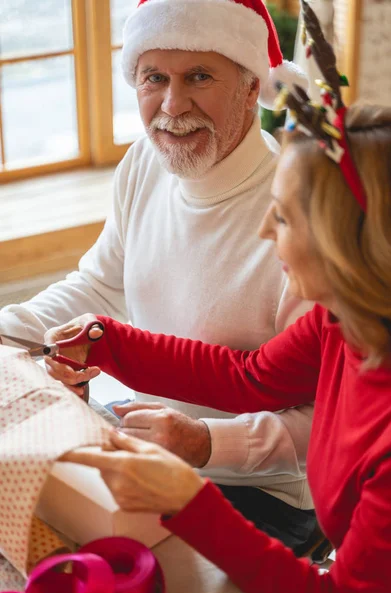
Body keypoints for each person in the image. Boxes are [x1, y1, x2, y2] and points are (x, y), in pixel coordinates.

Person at [52, 4, 391, 593]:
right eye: (154, 77)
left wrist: (190, 499)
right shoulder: (340, 323)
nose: (266, 234)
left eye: (284, 218)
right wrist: (105, 339)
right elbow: (245, 377)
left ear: (345, 242)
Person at [0, 0, 316, 549]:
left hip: (262, 492)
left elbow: (321, 422)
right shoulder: (144, 161)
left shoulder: (300, 217)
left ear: (250, 86)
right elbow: (100, 284)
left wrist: (204, 443)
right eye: (154, 78)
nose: (172, 105)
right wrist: (11, 329)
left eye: (199, 76)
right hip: (143, 451)